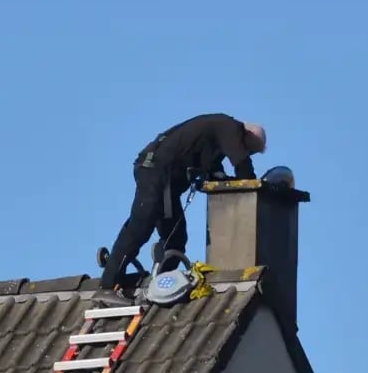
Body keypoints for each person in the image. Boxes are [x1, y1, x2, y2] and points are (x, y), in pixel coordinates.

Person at [94, 113, 267, 306]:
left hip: (163, 177)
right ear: (247, 136)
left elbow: (214, 170)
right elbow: (242, 165)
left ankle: (161, 285)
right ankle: (108, 285)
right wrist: (254, 185)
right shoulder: (230, 127)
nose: (248, 153)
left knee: (175, 237)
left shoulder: (215, 137)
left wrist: (219, 177)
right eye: (250, 150)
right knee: (141, 226)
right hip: (155, 170)